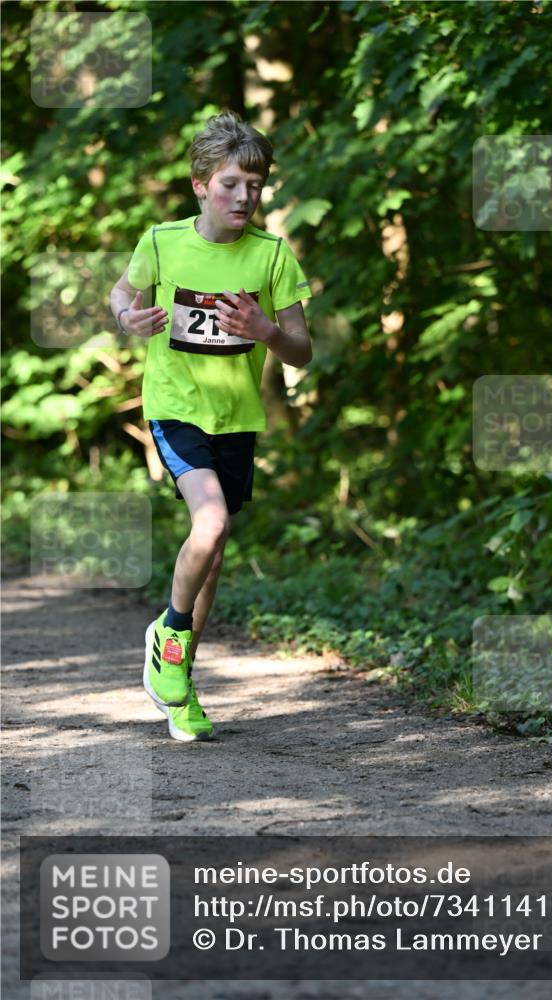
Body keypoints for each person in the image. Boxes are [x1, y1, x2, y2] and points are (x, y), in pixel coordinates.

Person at [109, 110, 313, 742]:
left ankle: (179, 685)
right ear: (201, 185)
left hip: (237, 420)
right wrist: (128, 319)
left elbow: (302, 350)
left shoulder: (273, 256)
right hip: (174, 407)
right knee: (212, 522)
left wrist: (266, 331)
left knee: (215, 554)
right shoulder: (164, 242)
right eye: (230, 183)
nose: (244, 196)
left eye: (255, 185)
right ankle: (169, 630)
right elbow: (122, 291)